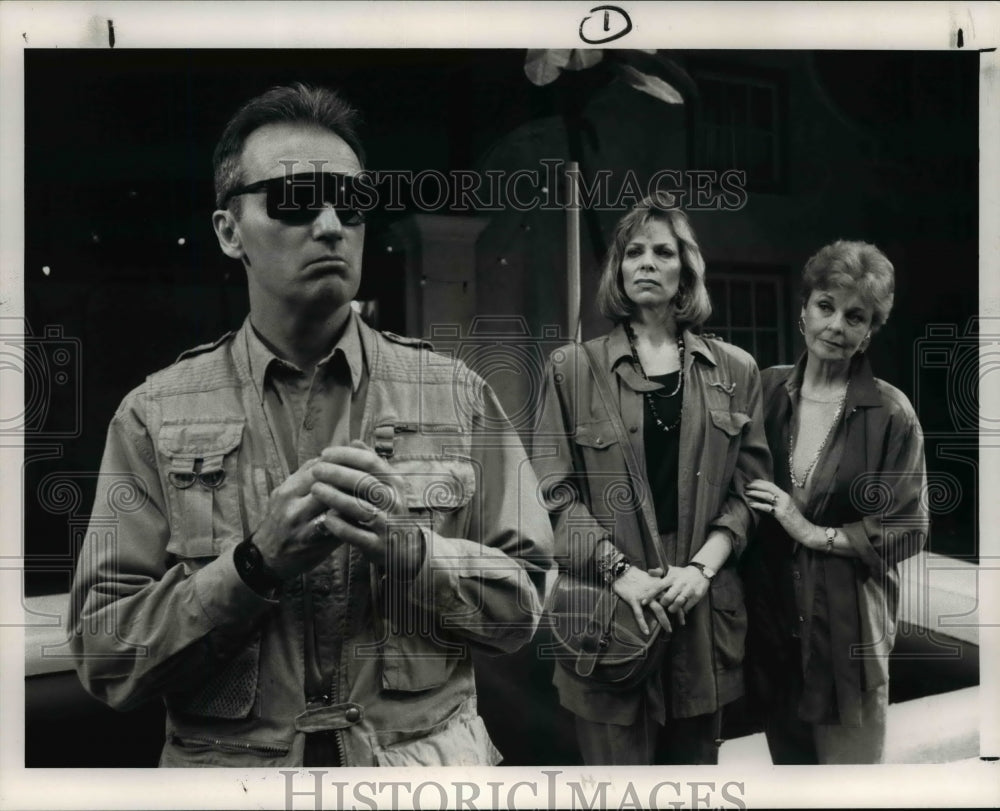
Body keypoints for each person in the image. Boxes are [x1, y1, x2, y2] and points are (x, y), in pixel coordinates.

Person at [67, 83, 553, 767]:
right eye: (294, 200)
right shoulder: (153, 414)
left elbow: (526, 601)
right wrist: (252, 565)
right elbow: (104, 654)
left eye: (350, 203)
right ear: (228, 230)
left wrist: (415, 553)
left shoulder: (457, 395)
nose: (330, 224)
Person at [531, 194, 771, 765]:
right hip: (610, 611)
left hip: (701, 614)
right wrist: (619, 573)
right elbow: (553, 497)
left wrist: (701, 568)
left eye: (662, 252)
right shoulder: (571, 370)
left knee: (692, 788)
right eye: (632, 251)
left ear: (686, 270)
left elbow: (750, 493)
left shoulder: (736, 371)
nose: (645, 262)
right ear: (616, 269)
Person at [742, 240, 928, 764]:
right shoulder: (766, 392)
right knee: (793, 787)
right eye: (826, 307)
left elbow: (908, 526)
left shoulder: (890, 412)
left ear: (870, 330)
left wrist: (810, 531)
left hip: (848, 639)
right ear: (803, 310)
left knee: (850, 792)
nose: (836, 326)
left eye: (856, 316)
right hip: (775, 629)